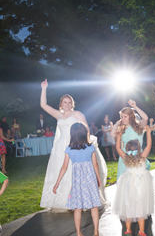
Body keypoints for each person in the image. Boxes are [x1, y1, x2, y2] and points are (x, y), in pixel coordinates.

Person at [39, 80, 108, 210]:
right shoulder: (58, 114)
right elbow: (43, 105)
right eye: (65, 102)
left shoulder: (77, 114)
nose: (68, 104)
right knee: (61, 170)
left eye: (70, 102)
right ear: (61, 104)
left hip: (75, 145)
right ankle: (62, 200)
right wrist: (44, 88)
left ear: (72, 104)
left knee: (74, 172)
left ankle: (78, 200)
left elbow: (86, 130)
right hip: (60, 148)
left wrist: (85, 145)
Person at [52, 122, 103, 236]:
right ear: (84, 134)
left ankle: (79, 233)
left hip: (77, 181)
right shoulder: (90, 147)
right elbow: (95, 164)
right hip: (90, 179)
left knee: (77, 208)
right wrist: (98, 178)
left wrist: (57, 183)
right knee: (94, 205)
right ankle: (96, 232)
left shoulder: (69, 149)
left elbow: (64, 167)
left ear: (72, 134)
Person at [114, 135, 154, 236]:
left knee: (128, 208)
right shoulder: (142, 157)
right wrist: (149, 132)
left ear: (127, 149)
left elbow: (117, 148)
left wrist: (119, 136)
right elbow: (149, 144)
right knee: (140, 209)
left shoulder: (126, 158)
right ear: (139, 149)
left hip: (128, 186)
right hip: (140, 185)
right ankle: (141, 232)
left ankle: (128, 230)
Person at [114, 102, 150, 179]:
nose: (122, 119)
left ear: (131, 116)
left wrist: (135, 106)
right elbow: (119, 143)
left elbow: (145, 118)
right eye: (121, 117)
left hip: (137, 157)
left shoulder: (139, 126)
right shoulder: (122, 129)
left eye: (125, 117)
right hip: (124, 157)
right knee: (124, 183)